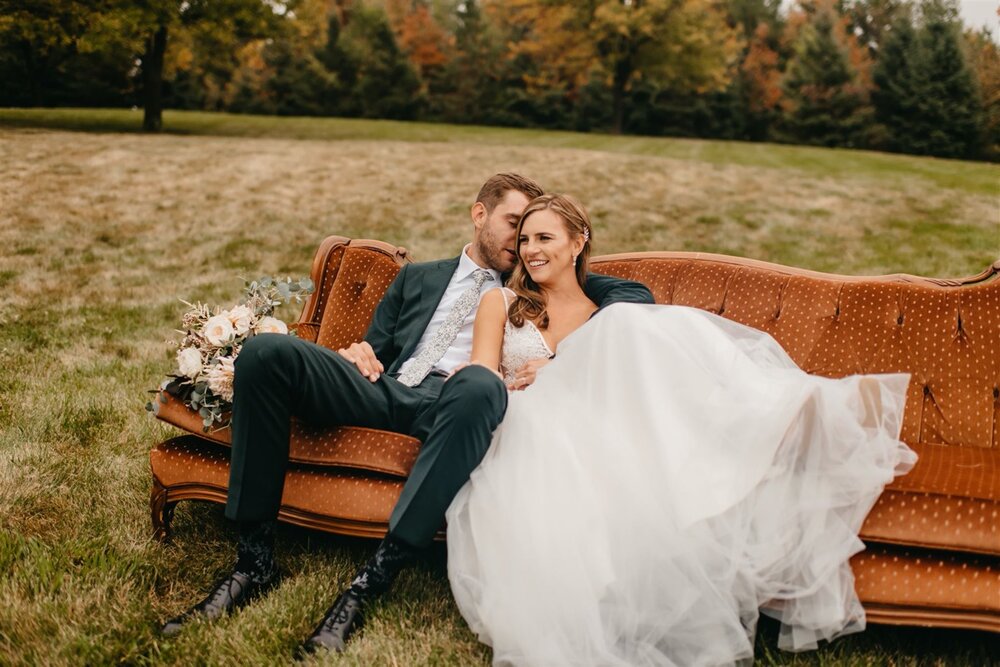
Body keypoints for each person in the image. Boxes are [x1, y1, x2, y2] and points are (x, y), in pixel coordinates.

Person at [159, 174, 655, 657]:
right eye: (514, 224)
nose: (523, 242)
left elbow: (627, 300)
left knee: (479, 383)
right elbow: (374, 347)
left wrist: (559, 350)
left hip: (457, 403)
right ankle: (254, 561)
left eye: (535, 232)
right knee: (267, 353)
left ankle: (371, 580)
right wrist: (355, 353)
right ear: (479, 215)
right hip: (386, 388)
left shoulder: (531, 281)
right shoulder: (416, 278)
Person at [446, 194, 917, 666]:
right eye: (525, 239)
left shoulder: (604, 313)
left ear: (578, 242)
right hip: (522, 419)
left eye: (544, 237)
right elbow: (482, 381)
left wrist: (561, 365)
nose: (530, 250)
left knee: (633, 333)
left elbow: (621, 387)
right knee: (622, 355)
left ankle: (782, 414)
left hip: (591, 416)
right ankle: (771, 417)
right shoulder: (503, 301)